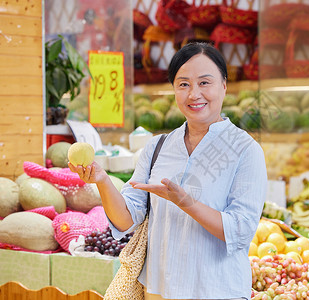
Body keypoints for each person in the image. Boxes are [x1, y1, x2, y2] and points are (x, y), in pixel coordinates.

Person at [69, 42, 267, 300]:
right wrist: (103, 181)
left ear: (224, 86)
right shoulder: (157, 147)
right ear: (174, 89)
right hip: (157, 291)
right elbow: (126, 220)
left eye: (205, 83)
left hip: (217, 292)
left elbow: (240, 231)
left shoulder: (245, 150)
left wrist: (185, 202)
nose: (194, 94)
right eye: (183, 84)